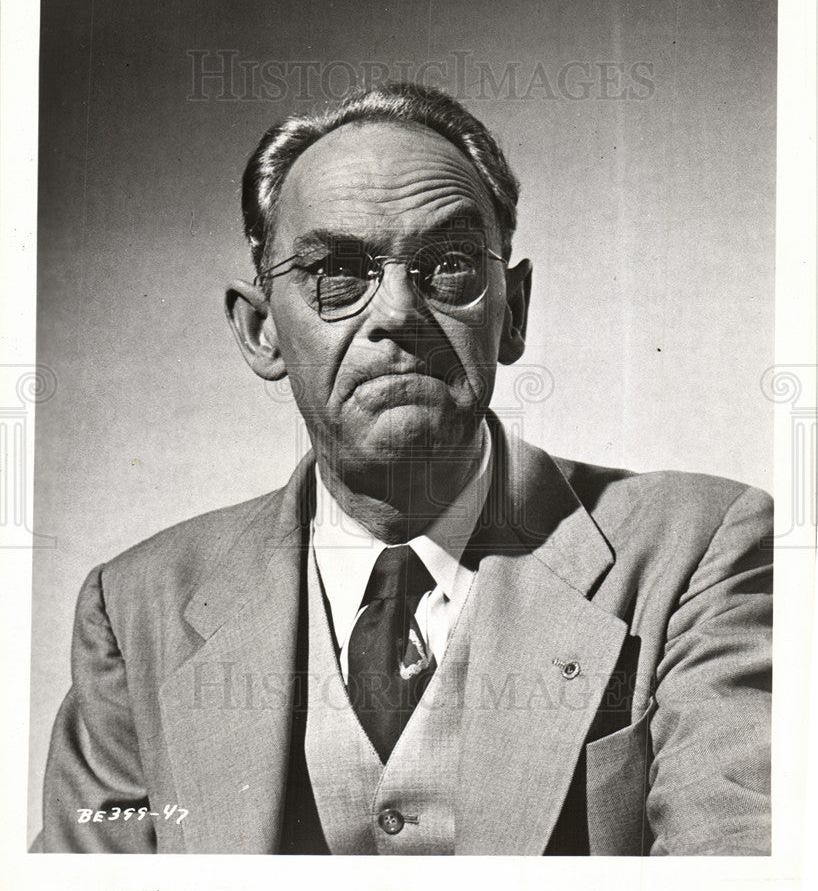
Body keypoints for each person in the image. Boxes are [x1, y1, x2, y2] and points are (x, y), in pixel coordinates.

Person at [36, 82, 772, 855]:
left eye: (447, 265)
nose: (396, 314)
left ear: (512, 311)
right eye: (338, 272)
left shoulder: (697, 552)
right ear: (261, 332)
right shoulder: (136, 609)